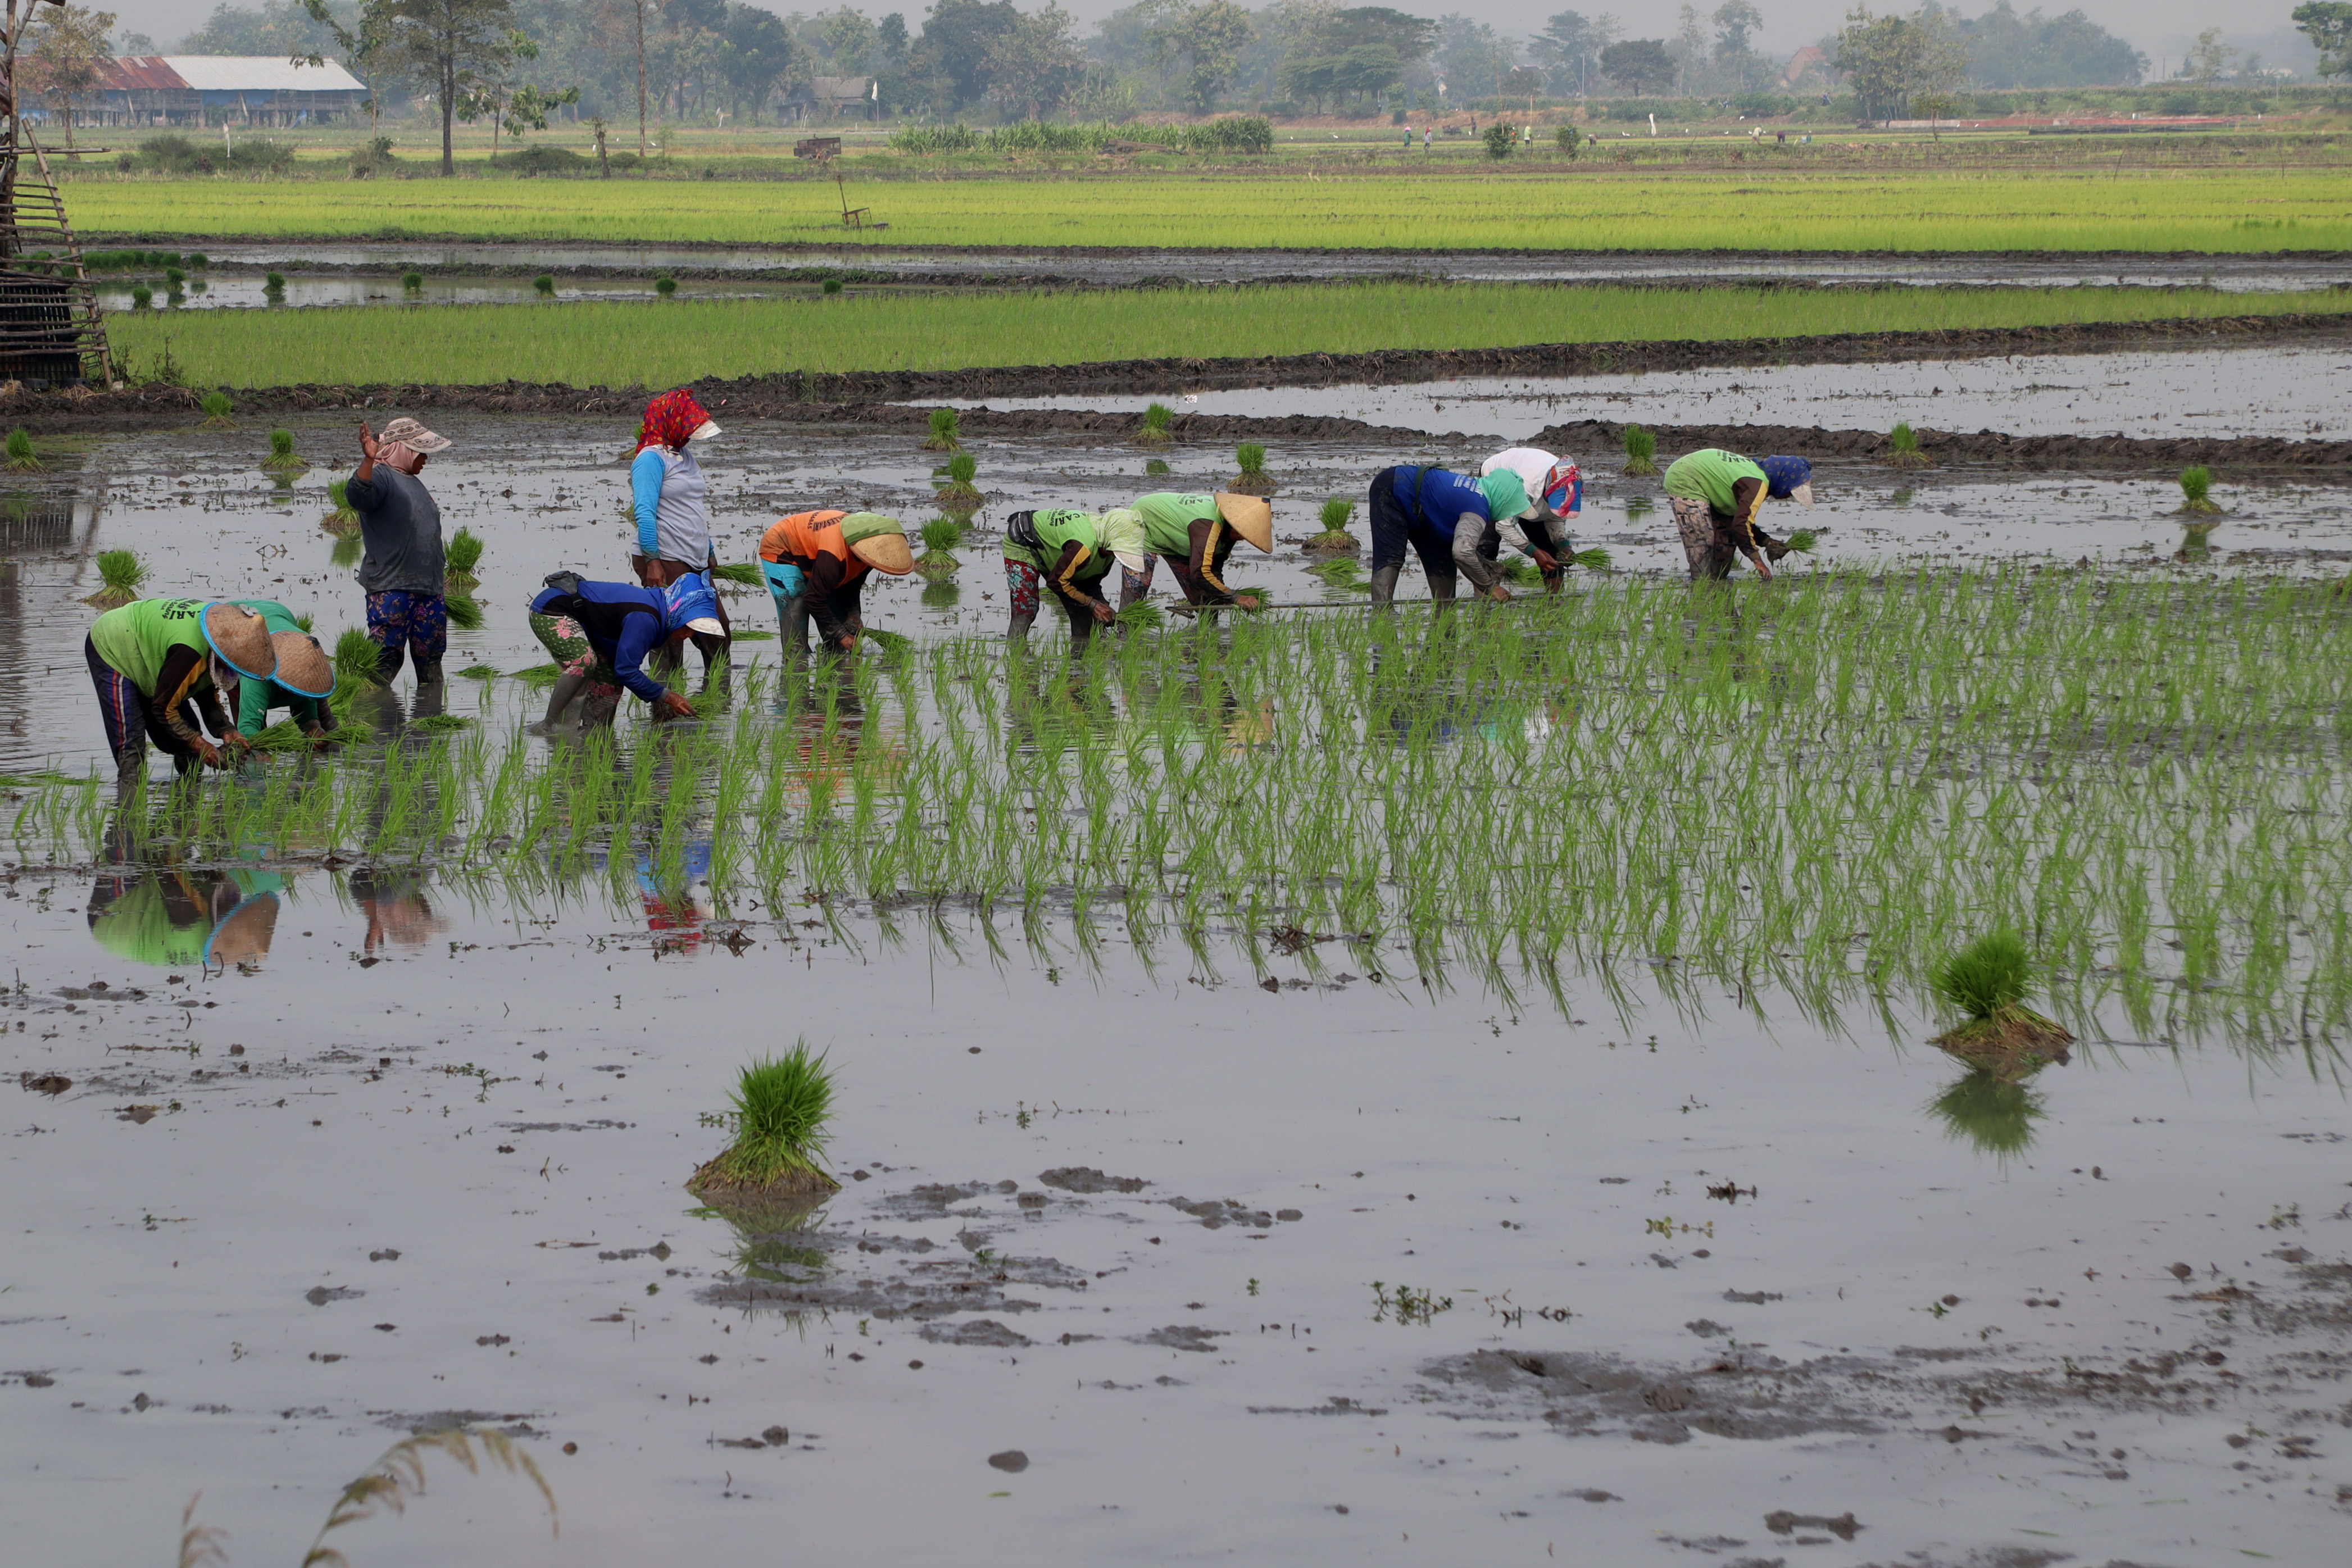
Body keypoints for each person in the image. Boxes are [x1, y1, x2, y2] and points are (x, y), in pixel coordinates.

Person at [88, 598, 276, 783]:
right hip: (115, 642)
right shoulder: (189, 653)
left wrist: (225, 730)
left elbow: (206, 692)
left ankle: (186, 806)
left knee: (189, 740)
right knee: (131, 746)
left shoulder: (216, 638)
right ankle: (129, 803)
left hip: (156, 656)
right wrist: (199, 743)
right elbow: (162, 708)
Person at [525, 571, 720, 724]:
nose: (689, 635)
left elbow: (619, 670)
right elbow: (627, 671)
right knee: (584, 661)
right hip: (551, 610)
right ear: (679, 614)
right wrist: (667, 696)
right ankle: (551, 725)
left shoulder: (658, 613)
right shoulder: (647, 618)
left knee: (611, 682)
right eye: (689, 627)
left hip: (588, 624)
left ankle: (594, 733)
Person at [348, 415, 452, 688]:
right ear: (403, 450)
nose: (426, 459)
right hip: (393, 587)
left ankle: (431, 718)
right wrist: (369, 460)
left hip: (428, 589)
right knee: (386, 658)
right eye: (421, 452)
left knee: (430, 658)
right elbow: (358, 496)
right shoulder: (382, 476)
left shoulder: (413, 482)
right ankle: (374, 721)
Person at [1364, 461, 1552, 606]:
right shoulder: (1477, 508)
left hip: (1426, 511)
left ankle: (1444, 634)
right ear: (1503, 501)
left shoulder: (1477, 490)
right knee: (1391, 559)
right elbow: (1463, 553)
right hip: (1393, 489)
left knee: (1443, 564)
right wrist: (1491, 588)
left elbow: (1459, 552)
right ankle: (1382, 617)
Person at [629, 389, 727, 624]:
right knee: (673, 632)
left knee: (719, 631)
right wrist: (653, 561)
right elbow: (644, 512)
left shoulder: (683, 455)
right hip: (667, 554)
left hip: (693, 553)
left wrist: (709, 550)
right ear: (669, 421)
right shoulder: (650, 459)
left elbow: (692, 507)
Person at [757, 510, 915, 654]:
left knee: (839, 638)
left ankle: (832, 674)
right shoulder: (833, 558)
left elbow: (852, 585)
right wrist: (842, 636)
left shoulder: (869, 557)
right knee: (796, 602)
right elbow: (813, 600)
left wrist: (854, 613)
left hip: (818, 554)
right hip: (783, 547)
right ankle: (796, 664)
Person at [1002, 507, 1148, 649]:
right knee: (1026, 608)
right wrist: (1093, 604)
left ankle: (1078, 665)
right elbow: (1056, 582)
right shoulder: (1083, 547)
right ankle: (1016, 655)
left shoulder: (1108, 551)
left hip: (1059, 553)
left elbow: (1090, 582)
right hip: (1024, 541)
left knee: (1083, 613)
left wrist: (1101, 604)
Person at [1660, 450, 1813, 581]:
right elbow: (1741, 524)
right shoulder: (1758, 485)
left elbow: (1740, 520)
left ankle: (1716, 588)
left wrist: (1767, 542)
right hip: (1686, 477)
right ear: (1784, 480)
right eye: (1790, 492)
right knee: (1702, 539)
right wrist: (1757, 560)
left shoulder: (1758, 479)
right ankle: (1700, 587)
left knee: (1724, 553)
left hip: (1711, 489)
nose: (1788, 496)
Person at [1121, 492, 1272, 612]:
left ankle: (1209, 638)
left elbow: (1214, 568)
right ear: (1233, 524)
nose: (1241, 538)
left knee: (1207, 597)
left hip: (1175, 537)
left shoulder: (1230, 533)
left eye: (1245, 536)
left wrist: (1225, 596)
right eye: (1240, 534)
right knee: (1137, 588)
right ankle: (1123, 638)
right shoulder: (1208, 525)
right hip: (1144, 522)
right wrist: (1236, 597)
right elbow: (1199, 572)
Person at [230, 599, 337, 744]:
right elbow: (248, 727)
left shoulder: (306, 648)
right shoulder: (258, 674)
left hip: (279, 613)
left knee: (311, 692)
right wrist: (257, 751)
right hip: (236, 621)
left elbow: (306, 696)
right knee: (242, 701)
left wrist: (313, 727)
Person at [1478, 448, 1583, 594]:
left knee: (1551, 554)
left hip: (1528, 490)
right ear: (1548, 491)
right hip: (1498, 483)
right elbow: (1503, 527)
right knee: (1487, 549)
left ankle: (1556, 603)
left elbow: (1555, 516)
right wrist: (1533, 551)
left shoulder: (1568, 483)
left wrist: (1562, 544)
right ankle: (1483, 605)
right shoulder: (1528, 489)